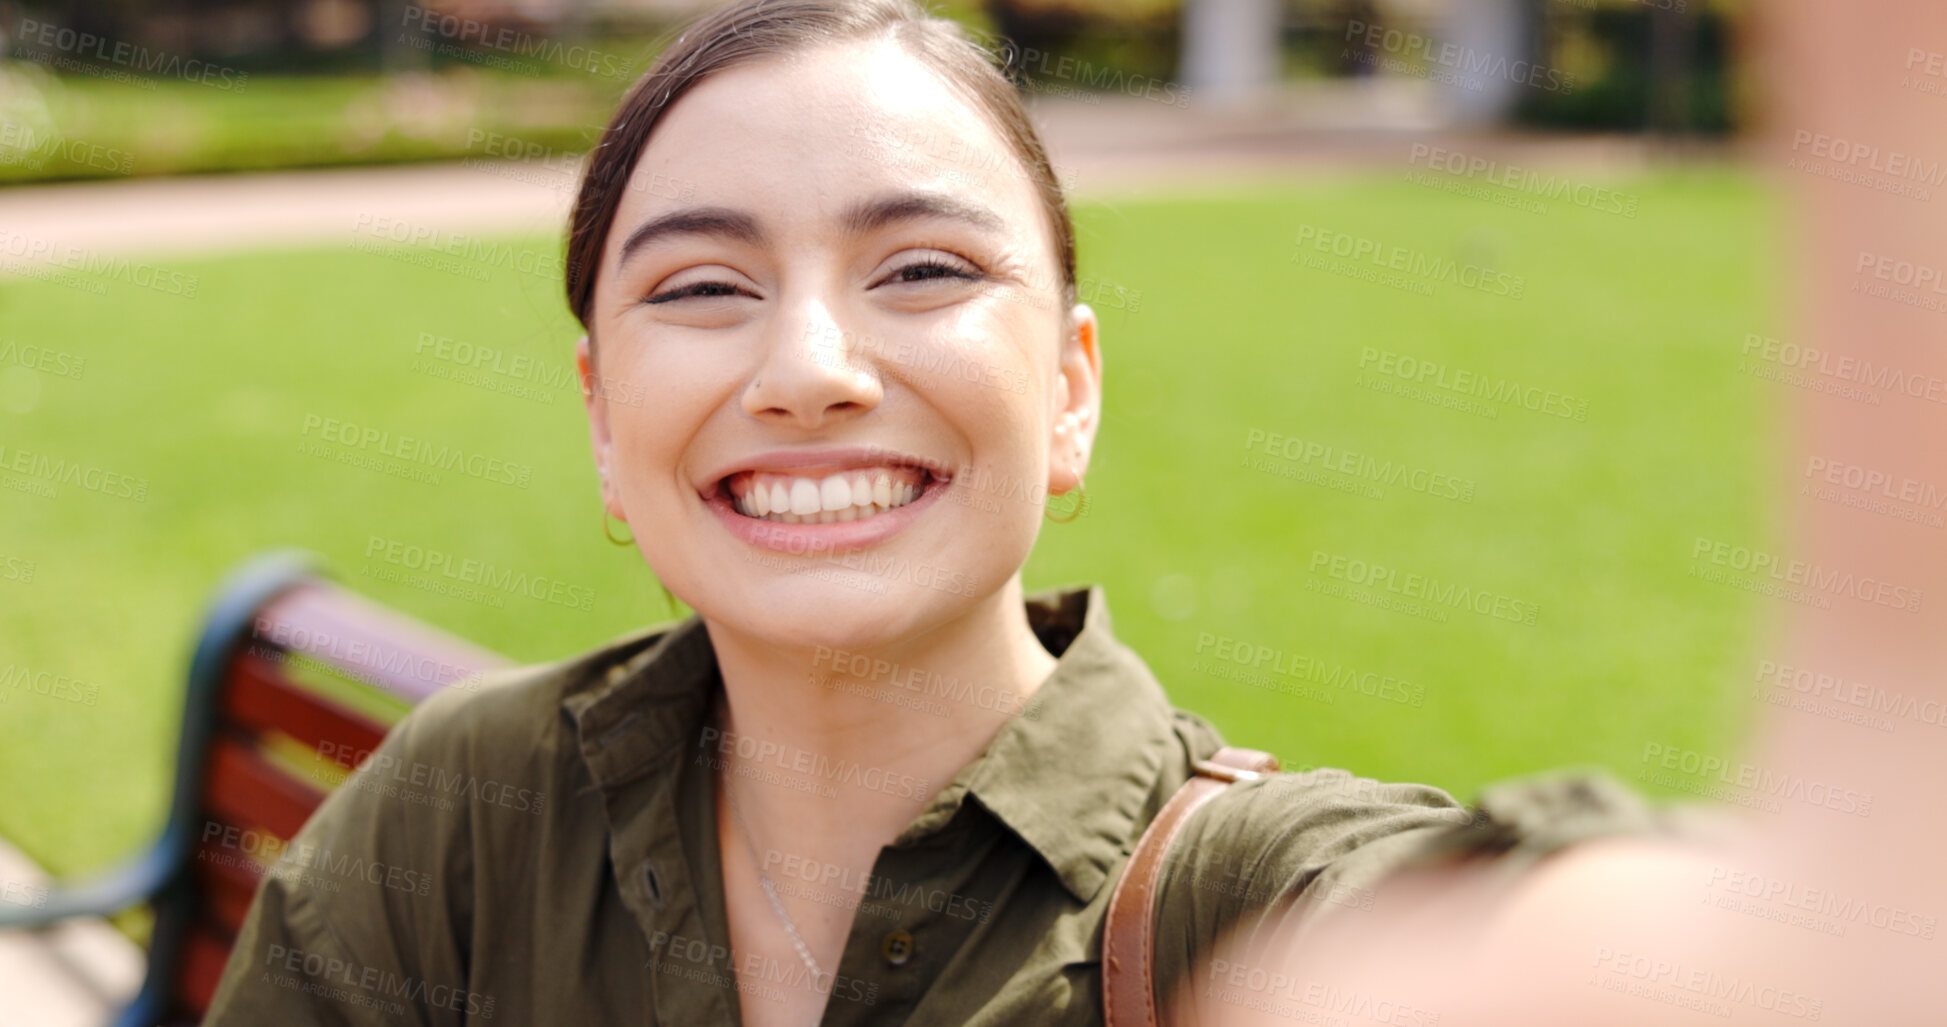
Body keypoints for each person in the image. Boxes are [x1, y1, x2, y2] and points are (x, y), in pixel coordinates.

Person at [206, 0, 1943, 1023]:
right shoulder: (461, 821)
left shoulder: (1233, 911)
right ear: (605, 420)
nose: (810, 364)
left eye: (925, 268)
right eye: (704, 288)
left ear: (1070, 389)